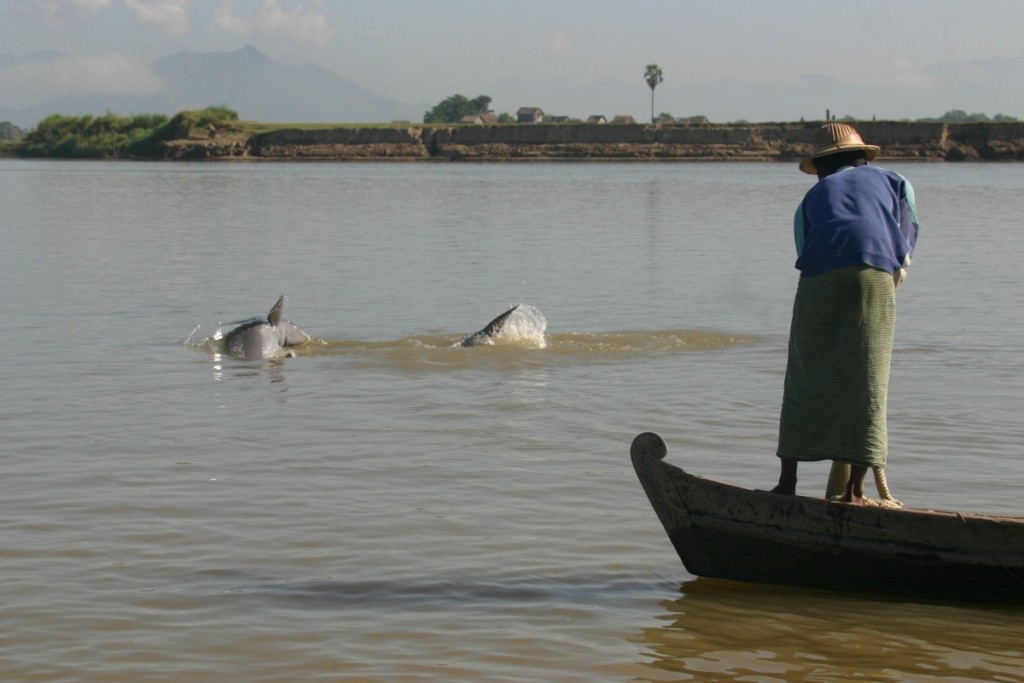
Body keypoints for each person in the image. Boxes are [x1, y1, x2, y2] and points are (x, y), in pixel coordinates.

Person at [771, 122, 919, 504]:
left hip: (818, 281)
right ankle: (853, 492)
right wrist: (886, 278)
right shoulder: (895, 181)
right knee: (867, 379)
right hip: (873, 277)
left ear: (822, 166)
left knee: (805, 375)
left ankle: (787, 484)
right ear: (862, 157)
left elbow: (804, 249)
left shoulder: (812, 197)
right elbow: (906, 240)